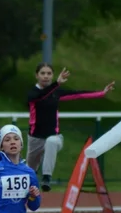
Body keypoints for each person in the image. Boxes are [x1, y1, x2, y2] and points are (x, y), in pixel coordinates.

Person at [26, 63, 115, 191]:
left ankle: (46, 177)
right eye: (43, 73)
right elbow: (41, 96)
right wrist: (56, 84)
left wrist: (101, 93)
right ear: (37, 75)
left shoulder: (56, 92)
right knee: (30, 173)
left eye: (49, 73)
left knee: (51, 141)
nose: (46, 76)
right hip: (35, 138)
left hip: (54, 136)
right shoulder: (33, 93)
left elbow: (78, 94)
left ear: (52, 75)